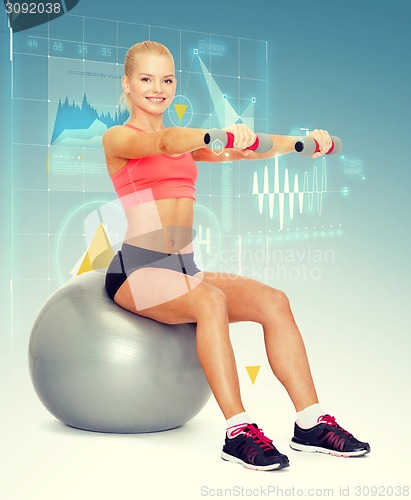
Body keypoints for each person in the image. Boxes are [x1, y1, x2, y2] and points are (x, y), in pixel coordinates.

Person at [103, 40, 370, 471]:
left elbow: (248, 149)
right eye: (146, 79)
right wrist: (214, 133)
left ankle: (311, 423)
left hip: (183, 269)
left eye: (167, 79)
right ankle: (237, 430)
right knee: (212, 301)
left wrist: (304, 143)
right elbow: (168, 139)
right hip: (137, 271)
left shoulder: (190, 144)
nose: (158, 88)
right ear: (127, 84)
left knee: (273, 300)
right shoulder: (118, 138)